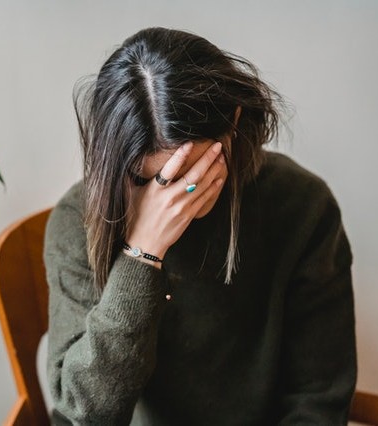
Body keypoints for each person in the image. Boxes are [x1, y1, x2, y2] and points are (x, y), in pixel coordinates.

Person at [43, 27, 357, 425]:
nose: (174, 198)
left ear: (234, 122)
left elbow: (318, 399)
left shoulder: (302, 206)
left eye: (191, 172)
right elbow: (83, 415)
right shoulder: (78, 221)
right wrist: (142, 255)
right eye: (147, 179)